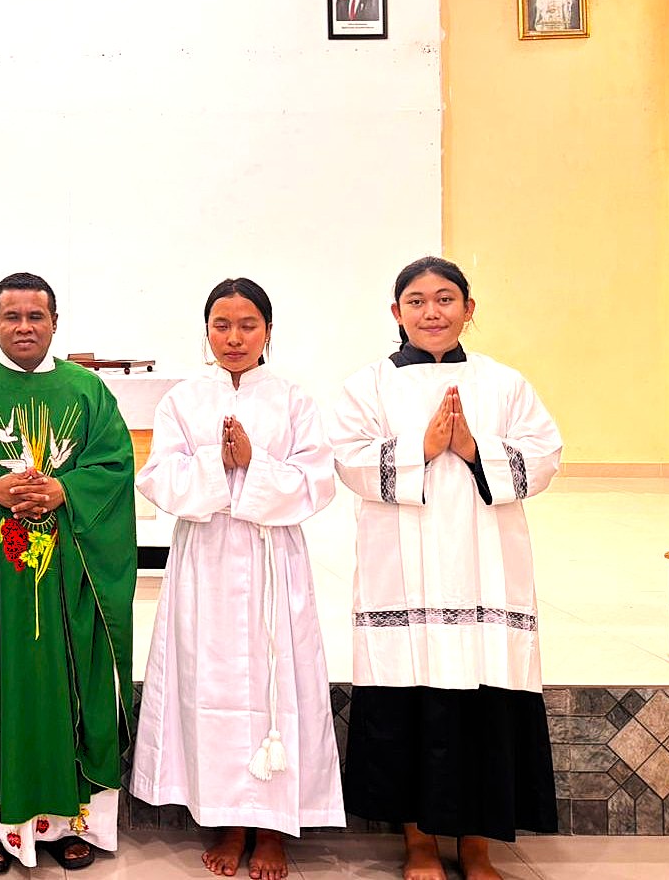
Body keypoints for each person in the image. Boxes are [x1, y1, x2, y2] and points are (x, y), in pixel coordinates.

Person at [332, 257, 561, 880]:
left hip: (487, 570)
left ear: (468, 308)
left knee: (486, 707)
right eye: (416, 301)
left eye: (445, 299)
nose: (431, 312)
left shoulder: (504, 383)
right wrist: (424, 448)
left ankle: (479, 848)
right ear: (396, 312)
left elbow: (545, 455)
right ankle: (420, 845)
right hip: (403, 574)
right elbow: (349, 461)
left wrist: (474, 449)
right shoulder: (368, 386)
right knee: (411, 707)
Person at [0, 272, 137, 873]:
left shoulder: (88, 392)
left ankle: (73, 822)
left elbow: (115, 467)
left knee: (73, 681)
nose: (24, 327)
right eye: (12, 316)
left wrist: (66, 490)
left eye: (35, 316)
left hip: (70, 573)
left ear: (54, 322)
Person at [131, 279, 344, 880]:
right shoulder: (183, 400)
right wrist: (215, 464)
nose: (233, 337)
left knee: (278, 683)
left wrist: (254, 465)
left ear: (268, 331)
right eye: (221, 325)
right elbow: (158, 478)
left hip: (273, 558)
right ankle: (226, 818)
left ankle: (273, 828)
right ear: (206, 331)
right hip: (207, 559)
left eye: (247, 325)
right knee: (212, 685)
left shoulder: (293, 400)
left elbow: (317, 481)